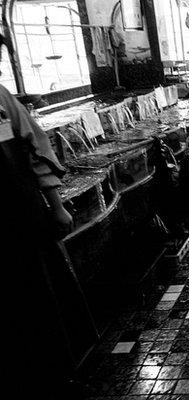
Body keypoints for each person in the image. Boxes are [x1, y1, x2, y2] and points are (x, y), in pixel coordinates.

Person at [0, 32, 97, 398]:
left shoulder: (2, 99)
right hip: (20, 214)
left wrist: (56, 205)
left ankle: (56, 373)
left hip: (21, 217)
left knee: (40, 297)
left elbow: (35, 151)